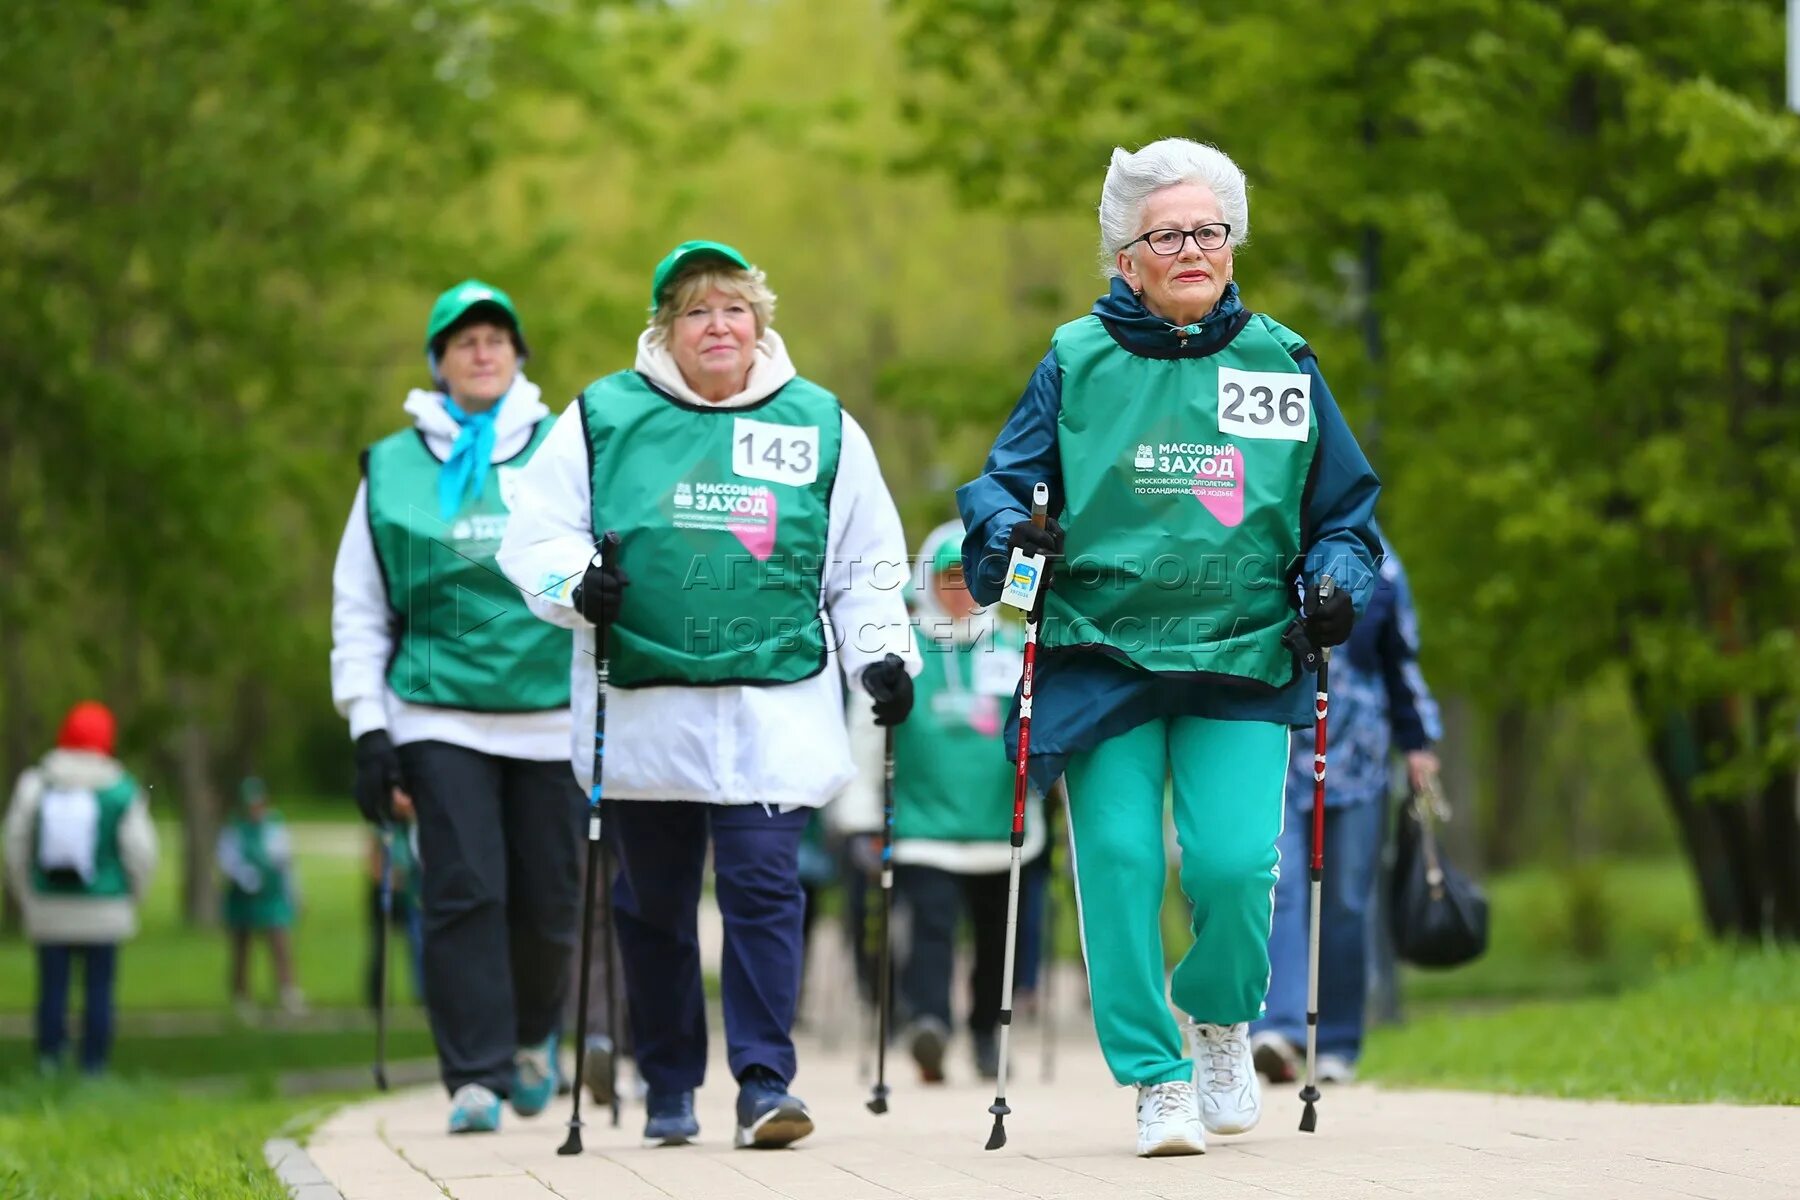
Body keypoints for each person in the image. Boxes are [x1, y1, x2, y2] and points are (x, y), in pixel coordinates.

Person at [957, 138, 1380, 1158]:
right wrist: (1015, 543)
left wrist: (1336, 587)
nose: (1192, 247)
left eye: (1209, 231)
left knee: (1236, 869)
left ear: (1231, 246)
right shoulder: (1076, 361)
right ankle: (1155, 1077)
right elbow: (999, 500)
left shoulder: (1281, 361)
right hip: (1101, 650)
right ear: (1127, 259)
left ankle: (1223, 1021)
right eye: (1167, 235)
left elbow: (1344, 515)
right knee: (1117, 861)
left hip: (1241, 651)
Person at [497, 240, 916, 1150]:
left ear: (760, 322)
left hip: (775, 709)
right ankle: (669, 1083)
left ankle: (766, 1083)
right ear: (666, 330)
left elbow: (866, 560)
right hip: (647, 712)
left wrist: (882, 656)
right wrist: (577, 586)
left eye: (732, 307)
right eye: (695, 310)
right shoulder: (604, 416)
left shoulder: (821, 423)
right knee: (653, 907)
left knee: (765, 886)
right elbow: (535, 537)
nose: (716, 325)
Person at [330, 280, 583, 1134]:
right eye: (463, 339)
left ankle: (533, 1034)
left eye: (498, 338)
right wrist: (370, 729)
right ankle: (474, 1074)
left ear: (519, 357)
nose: (482, 349)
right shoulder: (389, 466)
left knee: (549, 900)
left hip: (553, 713)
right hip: (437, 715)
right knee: (465, 890)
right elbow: (359, 609)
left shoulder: (566, 450)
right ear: (438, 363)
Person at [837, 521, 1042, 1084]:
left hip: (1001, 826)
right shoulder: (902, 648)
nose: (959, 591)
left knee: (998, 935)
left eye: (970, 579)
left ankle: (984, 1032)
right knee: (928, 926)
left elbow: (1039, 728)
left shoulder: (1012, 643)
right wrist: (861, 816)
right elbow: (866, 730)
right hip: (922, 824)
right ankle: (929, 1022)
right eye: (948, 579)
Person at [1252, 526, 1441, 1084]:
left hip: (1357, 756)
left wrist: (1419, 743)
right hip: (1278, 746)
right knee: (1277, 885)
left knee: (1346, 902)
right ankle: (1279, 1029)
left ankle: (1334, 1042)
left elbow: (1400, 660)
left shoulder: (1384, 567)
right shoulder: (1267, 541)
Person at [3, 701, 157, 1076]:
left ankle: (50, 1063)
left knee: (52, 989)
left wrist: (27, 894)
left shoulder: (36, 783)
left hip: (49, 907)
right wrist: (131, 897)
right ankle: (94, 1067)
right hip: (105, 910)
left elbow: (14, 844)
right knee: (99, 992)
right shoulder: (120, 788)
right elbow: (141, 852)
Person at [218, 778, 305, 1017]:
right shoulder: (234, 828)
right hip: (244, 896)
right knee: (242, 946)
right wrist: (243, 875)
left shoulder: (275, 825)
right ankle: (241, 996)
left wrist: (295, 893)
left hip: (272, 893)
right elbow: (228, 860)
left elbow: (286, 862)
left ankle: (288, 992)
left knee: (279, 942)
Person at [365, 795, 425, 1014]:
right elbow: (372, 858)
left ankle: (422, 994)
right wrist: (386, 878)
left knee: (418, 944)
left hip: (410, 895)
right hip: (385, 894)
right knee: (381, 947)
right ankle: (378, 997)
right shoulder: (383, 826)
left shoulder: (413, 826)